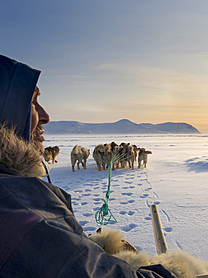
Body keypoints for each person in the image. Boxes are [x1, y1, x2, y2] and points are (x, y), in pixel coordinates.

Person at [0, 54, 176, 278]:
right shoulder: (25, 217)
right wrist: (177, 270)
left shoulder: (15, 193)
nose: (46, 116)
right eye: (31, 103)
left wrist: (82, 245)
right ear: (6, 112)